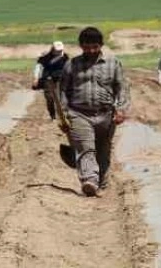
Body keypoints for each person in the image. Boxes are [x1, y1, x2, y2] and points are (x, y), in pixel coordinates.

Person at [60, 27, 130, 197]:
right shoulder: (72, 65)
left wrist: (121, 109)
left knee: (103, 150)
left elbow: (122, 88)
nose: (91, 50)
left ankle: (102, 183)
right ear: (80, 46)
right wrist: (64, 115)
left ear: (101, 46)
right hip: (79, 113)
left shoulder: (113, 64)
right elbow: (63, 91)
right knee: (86, 148)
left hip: (106, 114)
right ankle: (89, 180)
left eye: (94, 47)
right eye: (86, 47)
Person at [33, 41, 70, 120]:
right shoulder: (45, 57)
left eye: (60, 50)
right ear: (52, 49)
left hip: (61, 79)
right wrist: (36, 78)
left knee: (62, 97)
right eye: (57, 50)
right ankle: (52, 115)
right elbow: (38, 67)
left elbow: (68, 68)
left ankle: (63, 114)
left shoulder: (65, 56)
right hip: (48, 79)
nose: (59, 52)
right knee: (49, 98)